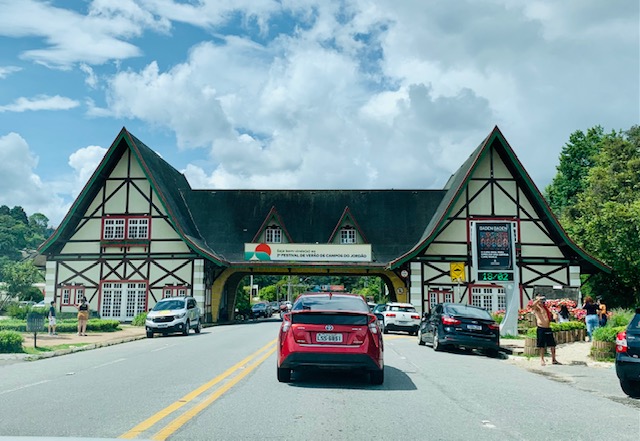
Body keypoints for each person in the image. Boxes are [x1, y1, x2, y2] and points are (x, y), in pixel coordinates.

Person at [531, 296, 561, 366]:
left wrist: (554, 314)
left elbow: (552, 315)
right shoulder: (537, 308)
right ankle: (542, 359)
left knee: (552, 344)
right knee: (541, 345)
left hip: (548, 327)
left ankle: (554, 359)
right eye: (541, 301)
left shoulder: (546, 308)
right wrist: (538, 300)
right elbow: (532, 306)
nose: (542, 302)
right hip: (541, 328)